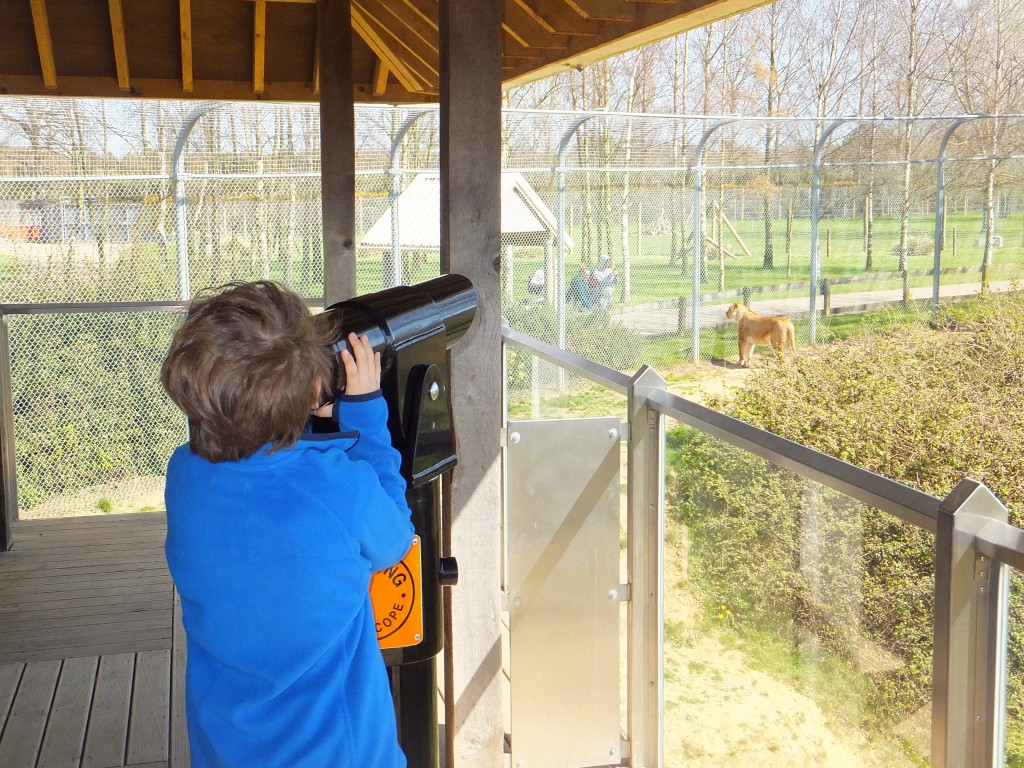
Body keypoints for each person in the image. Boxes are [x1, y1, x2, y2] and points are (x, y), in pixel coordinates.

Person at [160, 280, 413, 768]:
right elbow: (393, 538)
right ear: (315, 386)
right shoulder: (338, 488)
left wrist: (305, 415)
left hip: (227, 748)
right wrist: (363, 413)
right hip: (339, 754)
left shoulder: (184, 475)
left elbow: (263, 485)